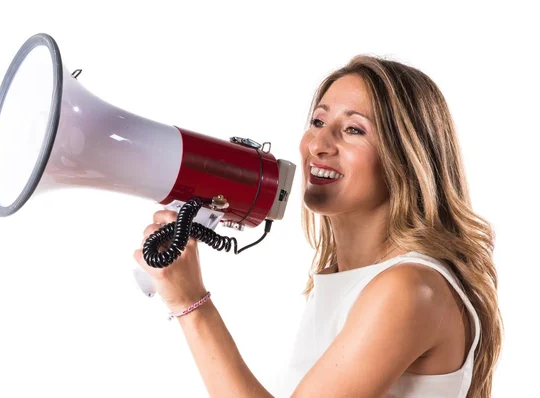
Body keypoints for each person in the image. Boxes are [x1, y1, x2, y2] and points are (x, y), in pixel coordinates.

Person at [134, 55, 503, 398]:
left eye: (354, 130)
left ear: (406, 158)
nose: (319, 145)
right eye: (318, 121)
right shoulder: (347, 281)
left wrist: (192, 305)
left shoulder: (408, 289)